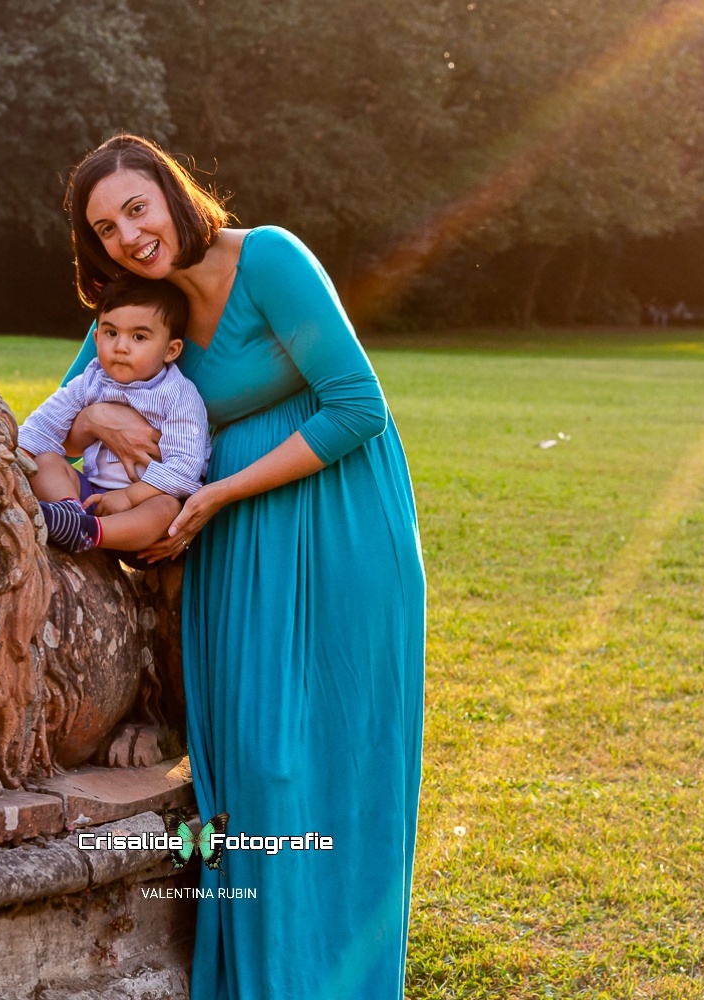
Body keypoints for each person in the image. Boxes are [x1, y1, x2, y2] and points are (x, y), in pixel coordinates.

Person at [58, 134, 427, 999]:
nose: (128, 237)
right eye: (105, 228)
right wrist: (104, 427)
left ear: (174, 194)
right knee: (258, 772)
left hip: (340, 530)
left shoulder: (269, 260)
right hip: (231, 557)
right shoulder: (135, 309)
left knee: (341, 759)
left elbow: (357, 407)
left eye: (136, 208)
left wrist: (219, 495)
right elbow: (58, 419)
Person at [18, 274, 210, 553]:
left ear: (171, 350)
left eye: (139, 336)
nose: (120, 346)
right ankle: (69, 514)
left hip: (144, 506)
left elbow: (184, 468)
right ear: (97, 338)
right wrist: (10, 461)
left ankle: (89, 532)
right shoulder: (91, 380)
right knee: (46, 461)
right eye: (111, 333)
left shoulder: (178, 395)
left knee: (167, 506)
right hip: (92, 497)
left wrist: (129, 497)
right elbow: (41, 428)